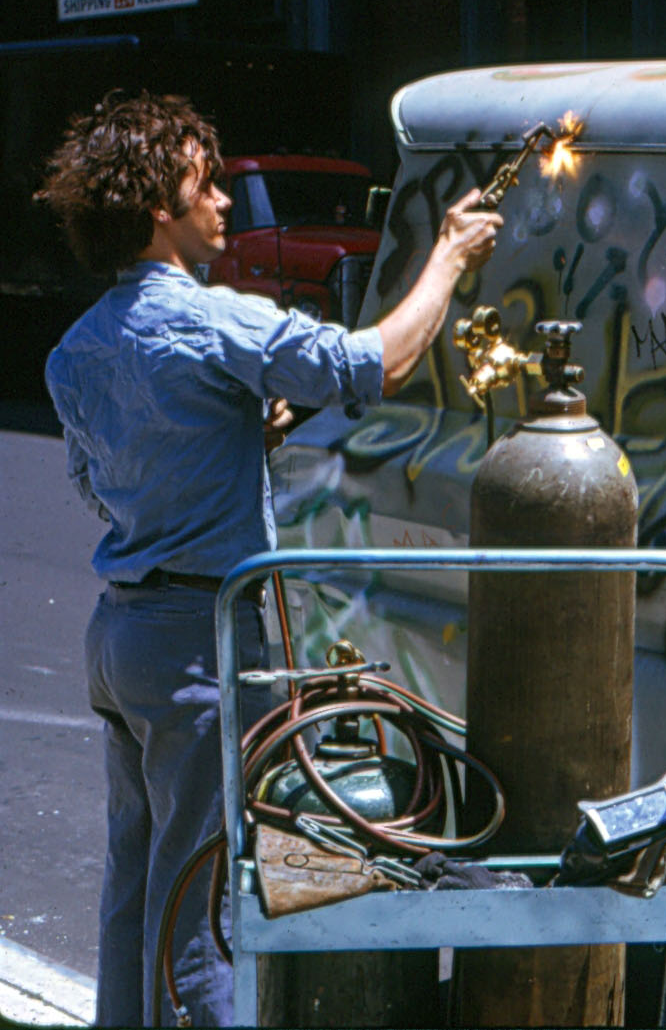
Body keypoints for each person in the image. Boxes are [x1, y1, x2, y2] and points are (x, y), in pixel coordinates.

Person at [35, 89, 502, 1026]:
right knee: (203, 896)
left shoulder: (74, 351)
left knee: (138, 877)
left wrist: (235, 434)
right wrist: (447, 255)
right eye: (206, 185)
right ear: (159, 208)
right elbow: (374, 363)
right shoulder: (214, 322)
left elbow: (106, 485)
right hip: (199, 645)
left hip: (121, 634)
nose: (222, 204)